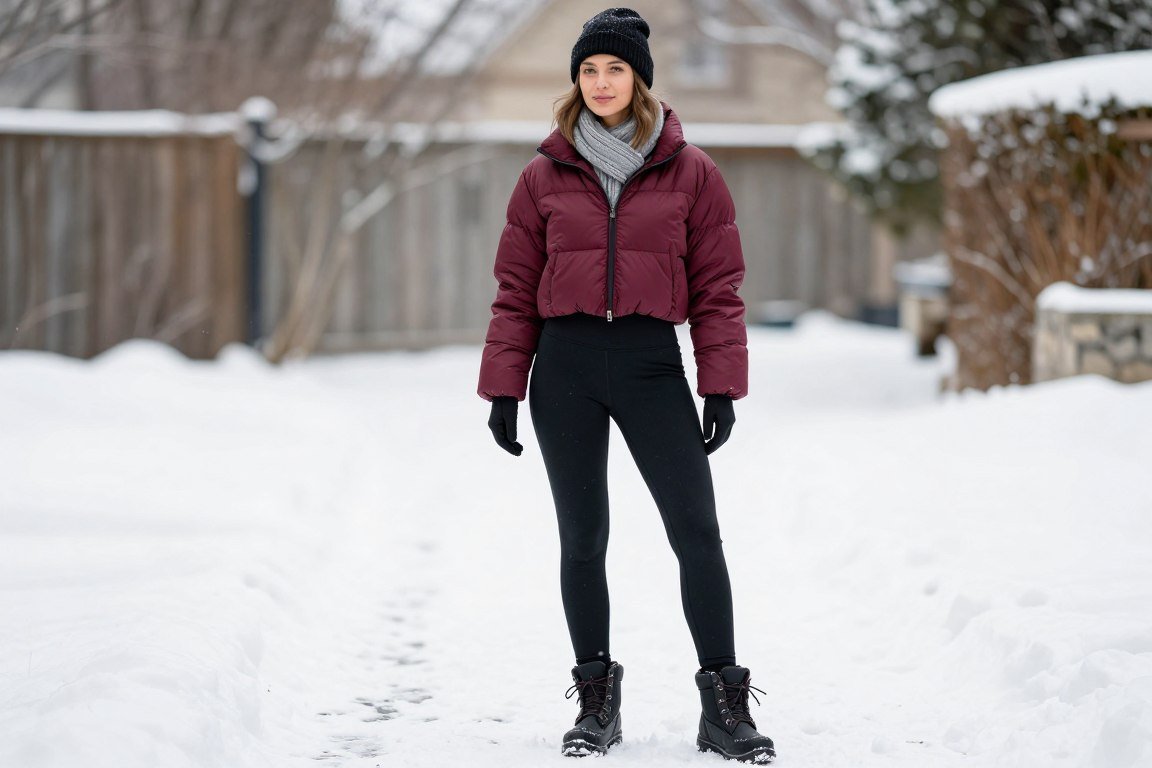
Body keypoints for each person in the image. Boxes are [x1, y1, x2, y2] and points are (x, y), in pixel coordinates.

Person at [476, 7, 775, 764]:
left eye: (614, 69)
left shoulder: (692, 171)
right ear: (575, 80)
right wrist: (504, 387)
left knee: (696, 534)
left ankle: (723, 707)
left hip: (650, 365)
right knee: (583, 540)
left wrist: (721, 386)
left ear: (639, 77)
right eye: (588, 70)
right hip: (565, 368)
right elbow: (514, 289)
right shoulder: (542, 174)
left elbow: (719, 290)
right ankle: (597, 704)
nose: (601, 82)